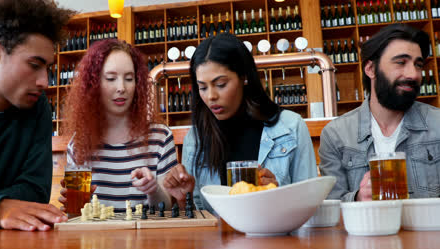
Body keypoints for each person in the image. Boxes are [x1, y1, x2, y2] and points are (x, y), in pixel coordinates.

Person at [163, 33, 318, 211]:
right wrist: (183, 199)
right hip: (218, 239)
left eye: (221, 84)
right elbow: (197, 220)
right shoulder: (197, 137)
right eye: (203, 87)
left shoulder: (290, 127)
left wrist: (279, 198)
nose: (211, 96)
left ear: (244, 77)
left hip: (279, 238)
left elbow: (313, 205)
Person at [0, 0, 74, 231]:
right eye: (34, 65)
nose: (45, 82)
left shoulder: (37, 108)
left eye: (47, 67)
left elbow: (35, 193)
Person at [319, 23, 440, 201]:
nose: (413, 74)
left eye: (418, 65)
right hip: (367, 228)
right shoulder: (336, 134)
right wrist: (359, 198)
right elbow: (331, 206)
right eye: (401, 62)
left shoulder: (437, 124)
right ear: (371, 69)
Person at [59, 39, 178, 212]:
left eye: (129, 78)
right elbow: (76, 215)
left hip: (146, 238)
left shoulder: (160, 138)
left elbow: (167, 208)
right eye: (111, 78)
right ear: (94, 85)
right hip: (98, 239)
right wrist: (72, 206)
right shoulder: (79, 144)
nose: (121, 87)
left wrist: (153, 189)